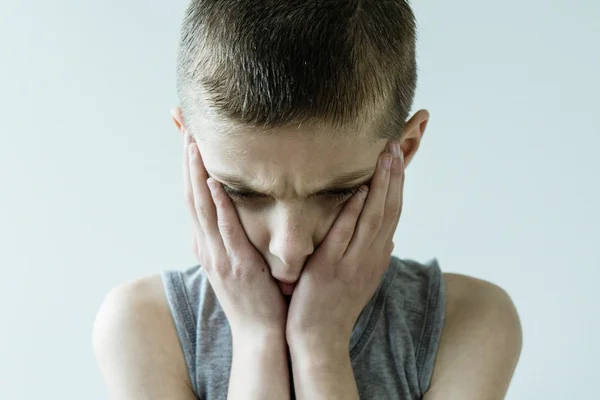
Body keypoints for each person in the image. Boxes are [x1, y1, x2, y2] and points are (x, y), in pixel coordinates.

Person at [92, 0, 523, 399]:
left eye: (337, 191)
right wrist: (257, 338)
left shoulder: (468, 324)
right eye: (242, 192)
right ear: (191, 148)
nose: (289, 247)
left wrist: (320, 343)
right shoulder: (145, 326)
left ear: (404, 149)